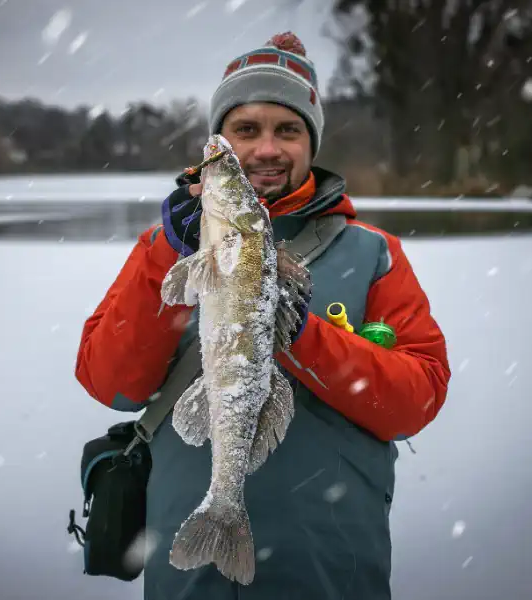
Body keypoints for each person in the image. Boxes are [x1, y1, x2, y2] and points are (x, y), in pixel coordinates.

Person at [75, 31, 451, 600]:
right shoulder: (165, 248)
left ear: (311, 142)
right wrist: (168, 253)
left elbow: (416, 399)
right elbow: (109, 381)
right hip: (190, 580)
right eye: (245, 130)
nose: (267, 149)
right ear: (219, 143)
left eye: (288, 130)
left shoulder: (373, 253)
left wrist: (300, 333)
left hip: (330, 575)